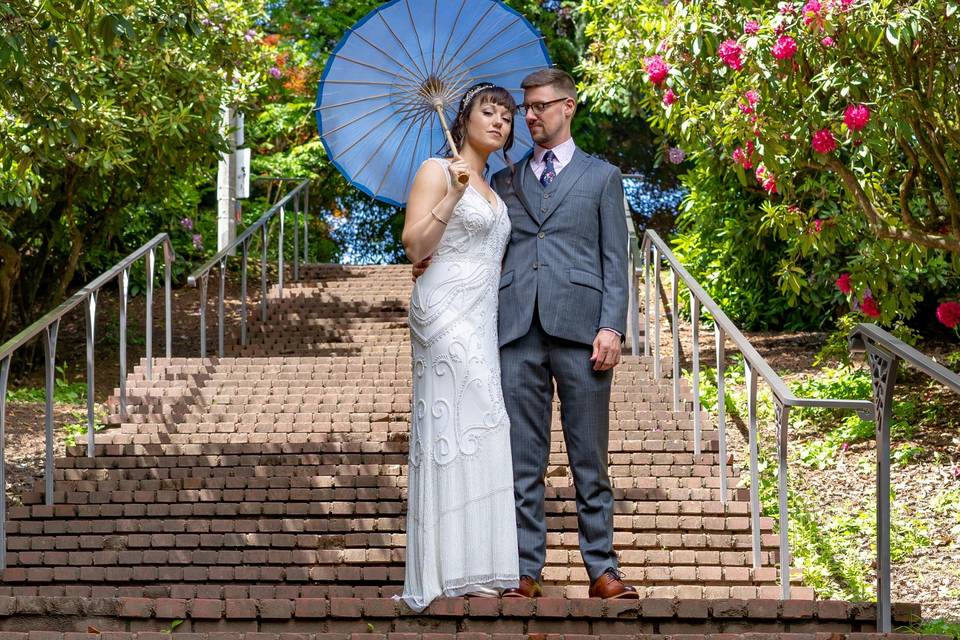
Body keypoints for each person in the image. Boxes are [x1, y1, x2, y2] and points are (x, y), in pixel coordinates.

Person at [414, 68, 637, 600]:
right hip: (514, 332)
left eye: (539, 106)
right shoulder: (503, 181)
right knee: (521, 460)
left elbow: (615, 260)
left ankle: (602, 569)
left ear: (569, 107)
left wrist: (612, 325)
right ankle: (524, 570)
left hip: (583, 333)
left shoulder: (601, 177)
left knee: (590, 458)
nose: (530, 116)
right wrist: (429, 263)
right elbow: (474, 238)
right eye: (526, 107)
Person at [398, 82, 520, 612]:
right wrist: (452, 193)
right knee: (455, 424)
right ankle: (444, 567)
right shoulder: (435, 169)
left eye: (507, 117)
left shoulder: (497, 187)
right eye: (488, 112)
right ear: (464, 119)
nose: (499, 122)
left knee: (486, 422)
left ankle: (476, 564)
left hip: (482, 315)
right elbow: (415, 246)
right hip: (443, 312)